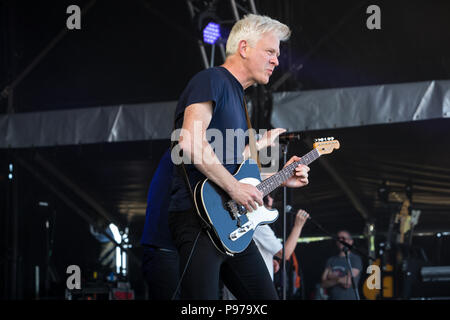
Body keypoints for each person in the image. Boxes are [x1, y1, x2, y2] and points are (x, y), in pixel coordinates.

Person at [168, 14, 311, 299]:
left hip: (233, 225)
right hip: (200, 220)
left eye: (277, 54)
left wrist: (281, 177)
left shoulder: (238, 98)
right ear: (244, 48)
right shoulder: (212, 79)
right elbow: (189, 141)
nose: (276, 61)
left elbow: (235, 167)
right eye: (270, 51)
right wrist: (234, 187)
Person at [222, 194, 309, 300]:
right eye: (270, 196)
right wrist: (298, 226)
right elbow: (285, 254)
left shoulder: (244, 221)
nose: (272, 199)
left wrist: (268, 259)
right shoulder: (259, 225)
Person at [320, 230, 363, 300]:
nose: (340, 240)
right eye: (338, 238)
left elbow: (348, 282)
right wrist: (340, 279)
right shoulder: (331, 260)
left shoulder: (355, 259)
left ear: (350, 241)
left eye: (343, 238)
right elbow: (323, 284)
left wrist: (332, 277)